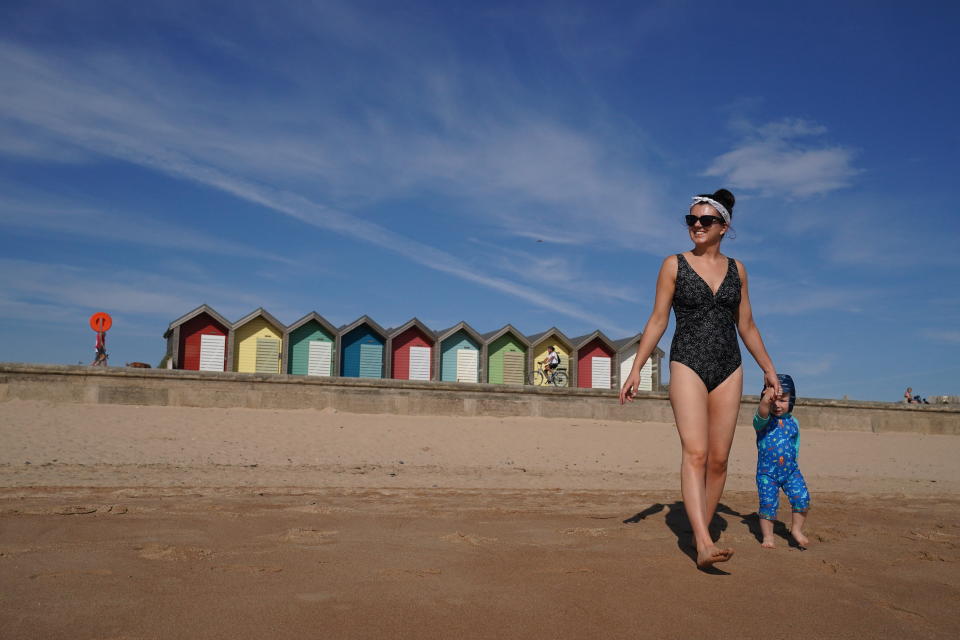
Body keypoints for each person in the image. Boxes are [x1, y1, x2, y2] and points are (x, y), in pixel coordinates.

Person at [619, 188, 780, 569]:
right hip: (687, 362)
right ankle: (705, 544)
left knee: (720, 461)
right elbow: (658, 319)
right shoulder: (673, 265)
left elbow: (747, 325)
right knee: (696, 452)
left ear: (724, 227)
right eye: (691, 219)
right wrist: (637, 367)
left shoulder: (738, 270)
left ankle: (700, 532)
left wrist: (770, 370)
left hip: (729, 365)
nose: (696, 225)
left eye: (704, 220)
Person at [754, 374, 810, 549]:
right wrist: (766, 398)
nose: (777, 405)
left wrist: (792, 465)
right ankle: (768, 536)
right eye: (773, 400)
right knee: (768, 504)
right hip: (767, 474)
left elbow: (795, 446)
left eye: (783, 400)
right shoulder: (763, 420)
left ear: (791, 400)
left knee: (802, 498)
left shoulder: (794, 422)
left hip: (791, 471)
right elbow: (763, 410)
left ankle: (796, 530)